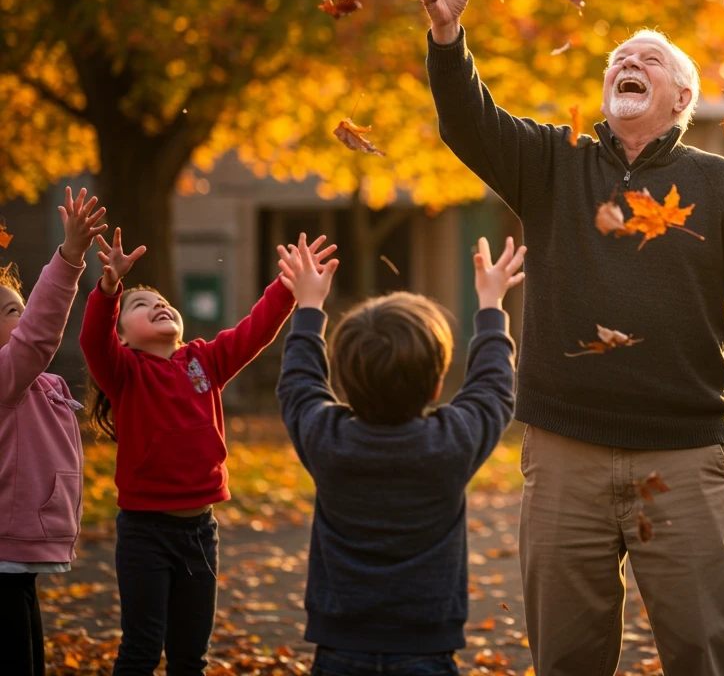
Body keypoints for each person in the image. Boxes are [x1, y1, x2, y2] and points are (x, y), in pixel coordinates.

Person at [395, 0, 724, 676]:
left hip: (685, 454)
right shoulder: (552, 161)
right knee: (566, 657)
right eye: (618, 60)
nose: (628, 63)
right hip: (566, 452)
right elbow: (469, 122)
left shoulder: (721, 185)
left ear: (682, 99)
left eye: (649, 59)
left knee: (704, 652)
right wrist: (446, 36)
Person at [79, 225, 334, 676]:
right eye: (140, 305)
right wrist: (110, 288)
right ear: (124, 337)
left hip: (200, 532)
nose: (157, 304)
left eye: (162, 301)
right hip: (145, 534)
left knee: (190, 655)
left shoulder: (204, 360)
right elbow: (92, 340)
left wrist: (288, 285)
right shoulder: (124, 371)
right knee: (140, 649)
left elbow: (255, 331)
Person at [276, 231, 521, 676]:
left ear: (346, 384)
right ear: (434, 386)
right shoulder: (450, 442)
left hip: (337, 648)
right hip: (426, 649)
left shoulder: (326, 439)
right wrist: (491, 307)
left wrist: (308, 308)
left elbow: (299, 385)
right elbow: (493, 390)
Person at [0, 188, 107, 676]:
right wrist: (68, 258)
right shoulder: (6, 377)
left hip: (20, 556)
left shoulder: (44, 383)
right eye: (8, 311)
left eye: (20, 304)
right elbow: (40, 333)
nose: (21, 314)